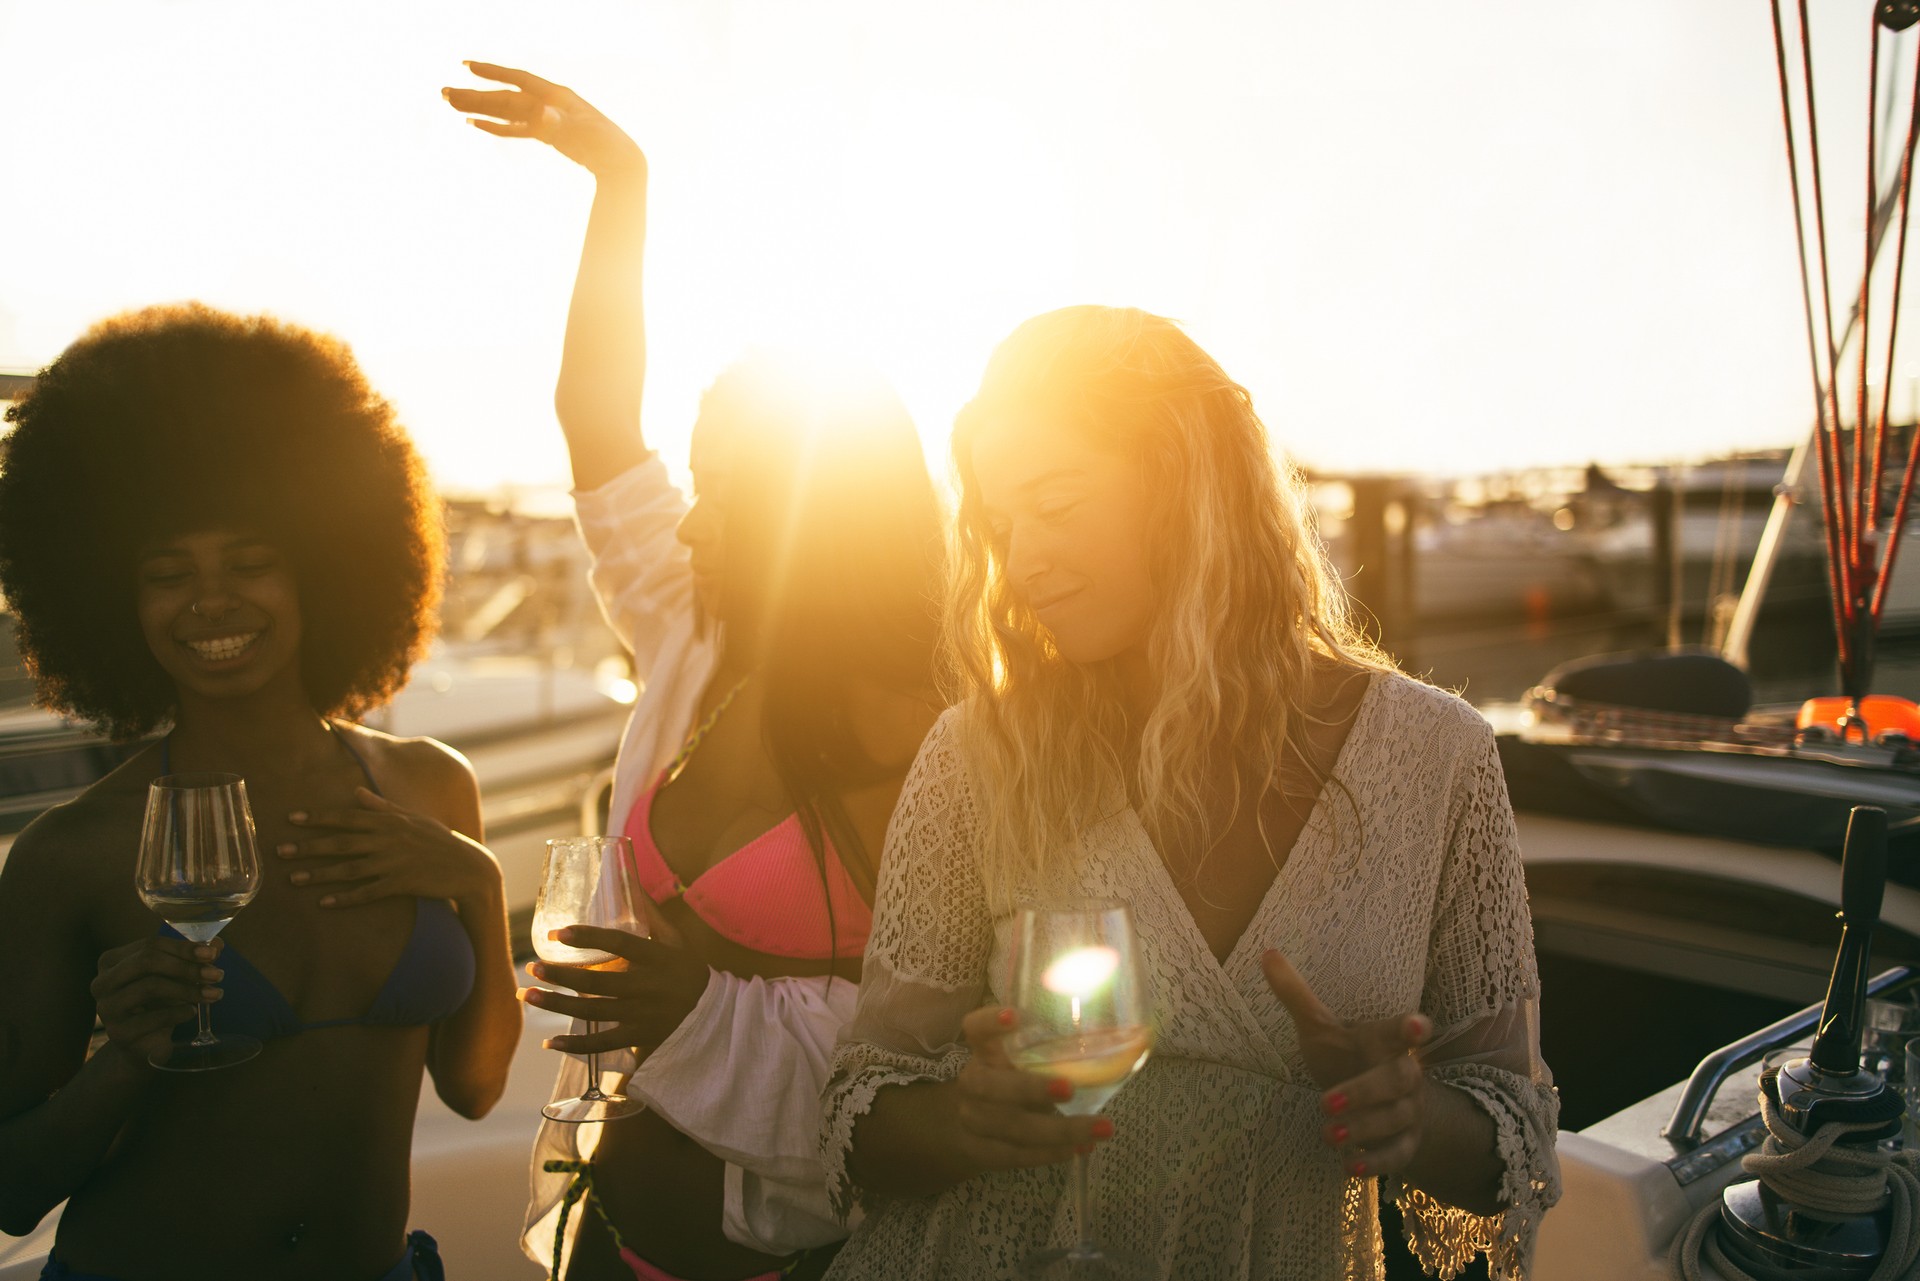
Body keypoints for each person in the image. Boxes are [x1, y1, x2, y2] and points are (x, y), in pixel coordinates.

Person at [820, 305, 1561, 1279]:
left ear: (1183, 484)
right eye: (1002, 523)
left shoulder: (1437, 759)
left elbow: (1517, 1140)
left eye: (1056, 503)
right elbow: (860, 1107)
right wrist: (966, 1119)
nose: (1022, 557)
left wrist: (1412, 1116)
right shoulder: (980, 755)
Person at [442, 64, 945, 1281]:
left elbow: (940, 1041)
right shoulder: (688, 634)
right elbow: (597, 424)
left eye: (731, 494)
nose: (695, 521)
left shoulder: (932, 729)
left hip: (809, 1255)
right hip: (613, 1233)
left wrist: (707, 1009)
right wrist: (625, 187)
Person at [0, 304, 522, 1280]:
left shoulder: (430, 787)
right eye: (168, 573)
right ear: (115, 598)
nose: (212, 601)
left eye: (252, 561)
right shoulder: (72, 856)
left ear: (323, 566)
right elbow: (13, 1188)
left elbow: (477, 1089)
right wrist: (128, 1056)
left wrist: (482, 887)